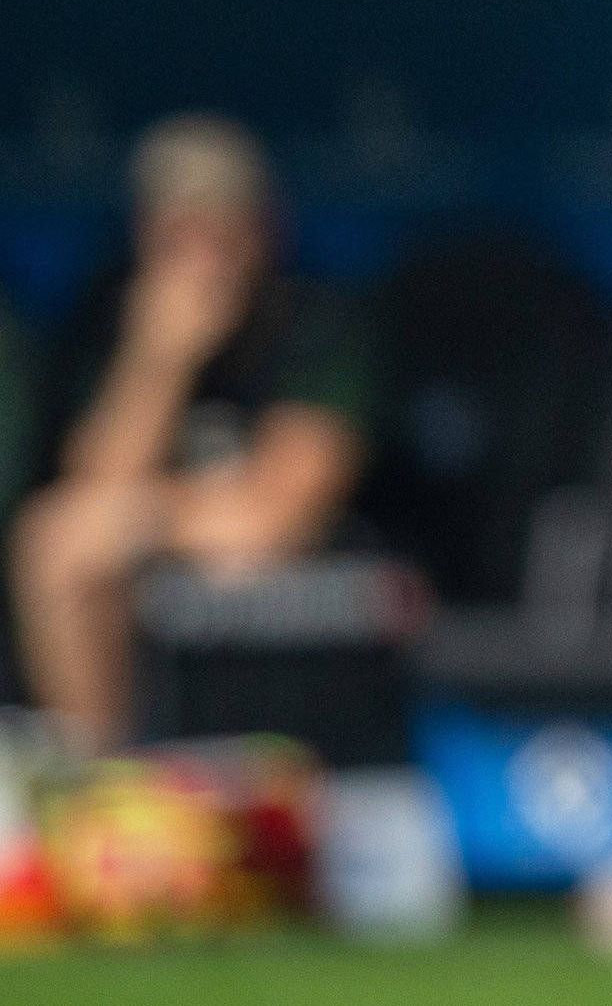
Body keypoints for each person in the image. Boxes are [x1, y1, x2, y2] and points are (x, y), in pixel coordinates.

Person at [13, 117, 368, 755]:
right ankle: (97, 785)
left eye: (222, 228)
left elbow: (277, 520)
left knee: (205, 556)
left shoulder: (315, 319)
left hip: (318, 595)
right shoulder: (112, 315)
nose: (203, 255)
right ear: (146, 234)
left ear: (266, 231)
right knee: (53, 545)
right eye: (180, 230)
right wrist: (160, 358)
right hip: (163, 562)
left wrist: (143, 516)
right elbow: (90, 495)